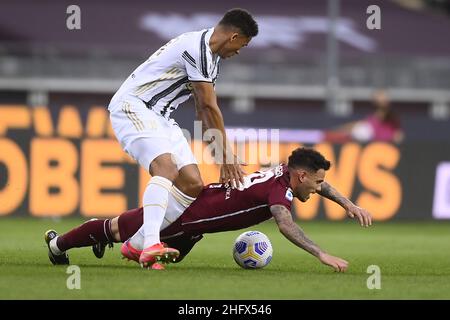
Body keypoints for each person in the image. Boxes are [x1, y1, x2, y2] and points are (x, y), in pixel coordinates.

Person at [96, 8, 258, 267]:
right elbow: (208, 106)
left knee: (192, 184)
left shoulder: (209, 58)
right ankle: (151, 245)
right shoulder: (197, 49)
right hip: (134, 106)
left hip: (160, 116)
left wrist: (219, 152)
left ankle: (136, 245)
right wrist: (225, 156)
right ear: (234, 37)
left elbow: (201, 110)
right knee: (167, 169)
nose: (239, 52)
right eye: (243, 45)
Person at [44, 148, 372, 272]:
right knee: (116, 228)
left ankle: (121, 240)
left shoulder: (286, 173)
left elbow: (323, 186)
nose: (318, 188)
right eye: (315, 182)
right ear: (300, 175)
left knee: (170, 257)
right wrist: (320, 254)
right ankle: (57, 245)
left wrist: (348, 203)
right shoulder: (280, 189)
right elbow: (285, 225)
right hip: (185, 213)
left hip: (196, 226)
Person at [327, 90, 404, 144]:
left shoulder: (392, 118)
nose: (381, 101)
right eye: (379, 98)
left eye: (384, 98)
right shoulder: (370, 120)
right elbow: (354, 127)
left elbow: (398, 136)